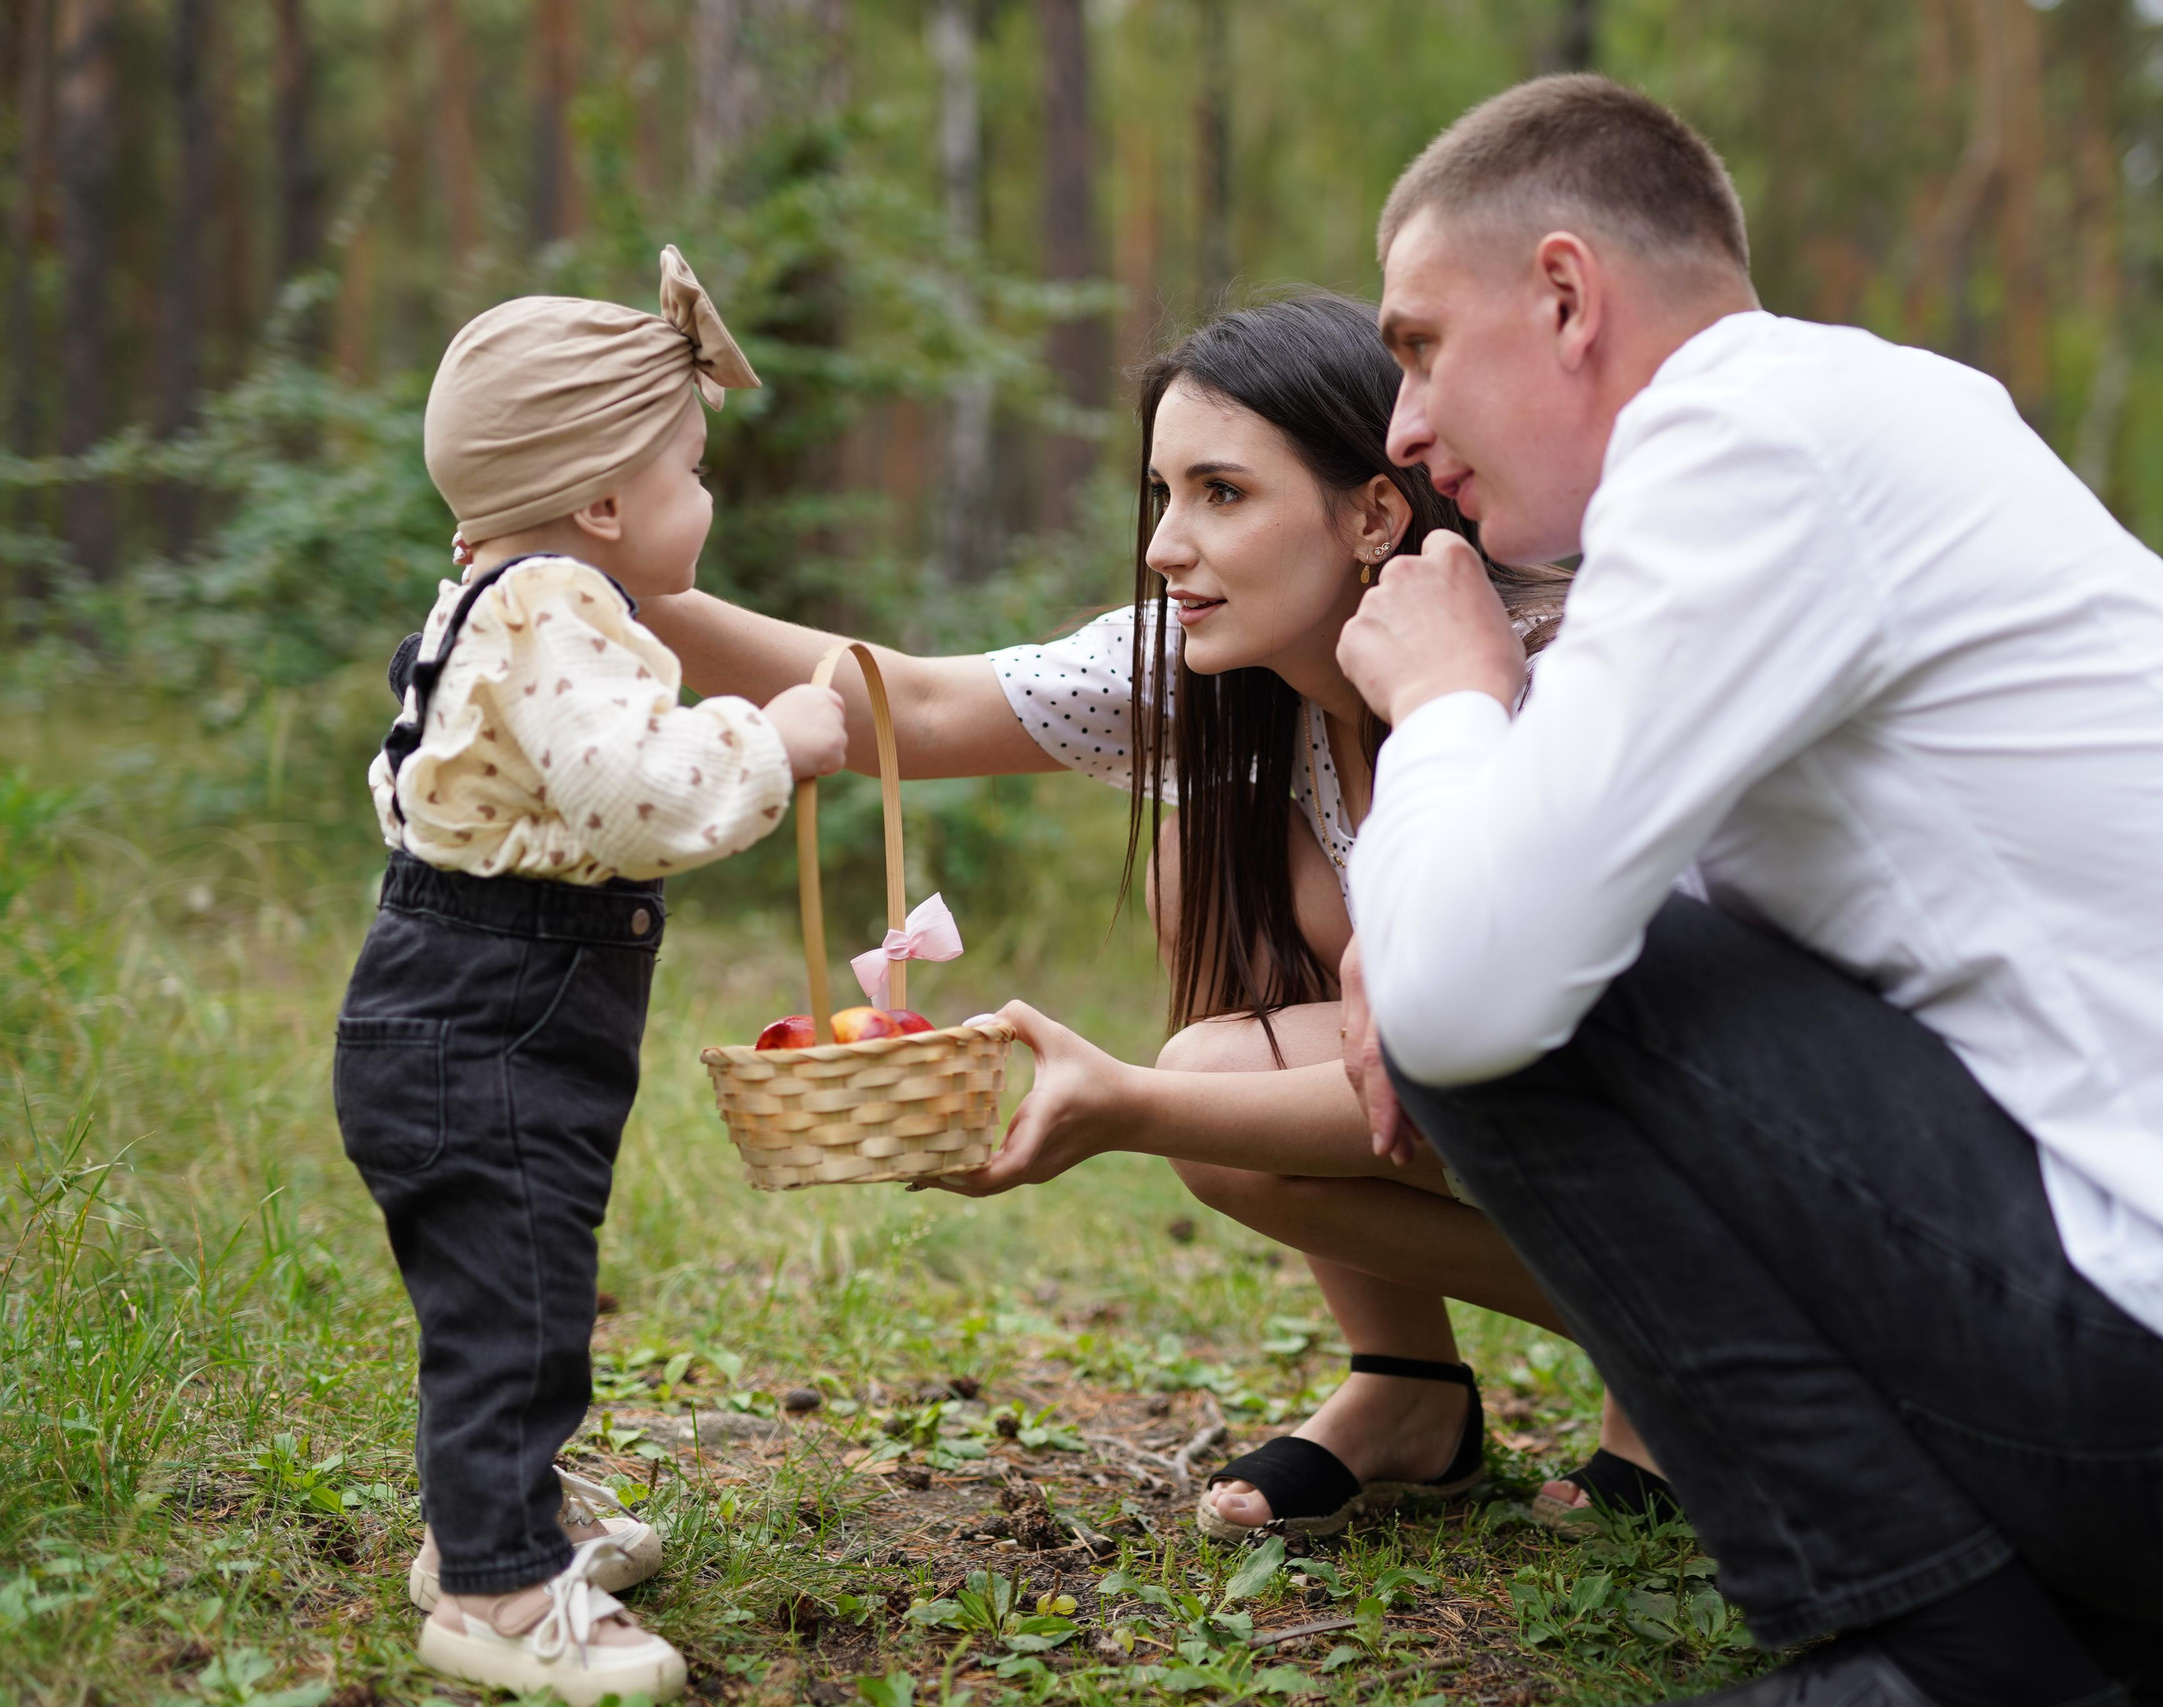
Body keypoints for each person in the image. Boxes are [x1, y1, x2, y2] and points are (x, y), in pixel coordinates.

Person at [1331, 75, 2163, 1707]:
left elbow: (1478, 987)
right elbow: (1576, 897)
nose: (1400, 426)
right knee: (1524, 938)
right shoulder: (1832, 429)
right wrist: (1444, 870)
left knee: (1522, 992)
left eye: (1415, 345)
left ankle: (1923, 1652)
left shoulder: (1741, 438)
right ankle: (2104, 1664)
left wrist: (1447, 714)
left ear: (1564, 295)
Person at [639, 292, 1676, 1538]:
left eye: (1222, 495)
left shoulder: (1538, 682)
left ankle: (1681, 1368)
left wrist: (1130, 1106)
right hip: (1505, 1116)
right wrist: (610, 590)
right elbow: (902, 710)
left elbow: (1528, 1045)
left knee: (1203, 1096)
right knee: (1206, 854)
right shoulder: (1219, 668)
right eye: (1164, 496)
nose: (1164, 547)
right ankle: (1409, 1387)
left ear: (1373, 514)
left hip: (1684, 1156)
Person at [334, 248, 849, 1704]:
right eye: (693, 465)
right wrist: (774, 739)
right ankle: (496, 1592)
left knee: (525, 1285)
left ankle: (493, 1526)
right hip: (486, 1014)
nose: (710, 494)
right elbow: (631, 800)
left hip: (478, 1004)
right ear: (607, 501)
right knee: (508, 1297)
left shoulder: (516, 596)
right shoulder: (556, 600)